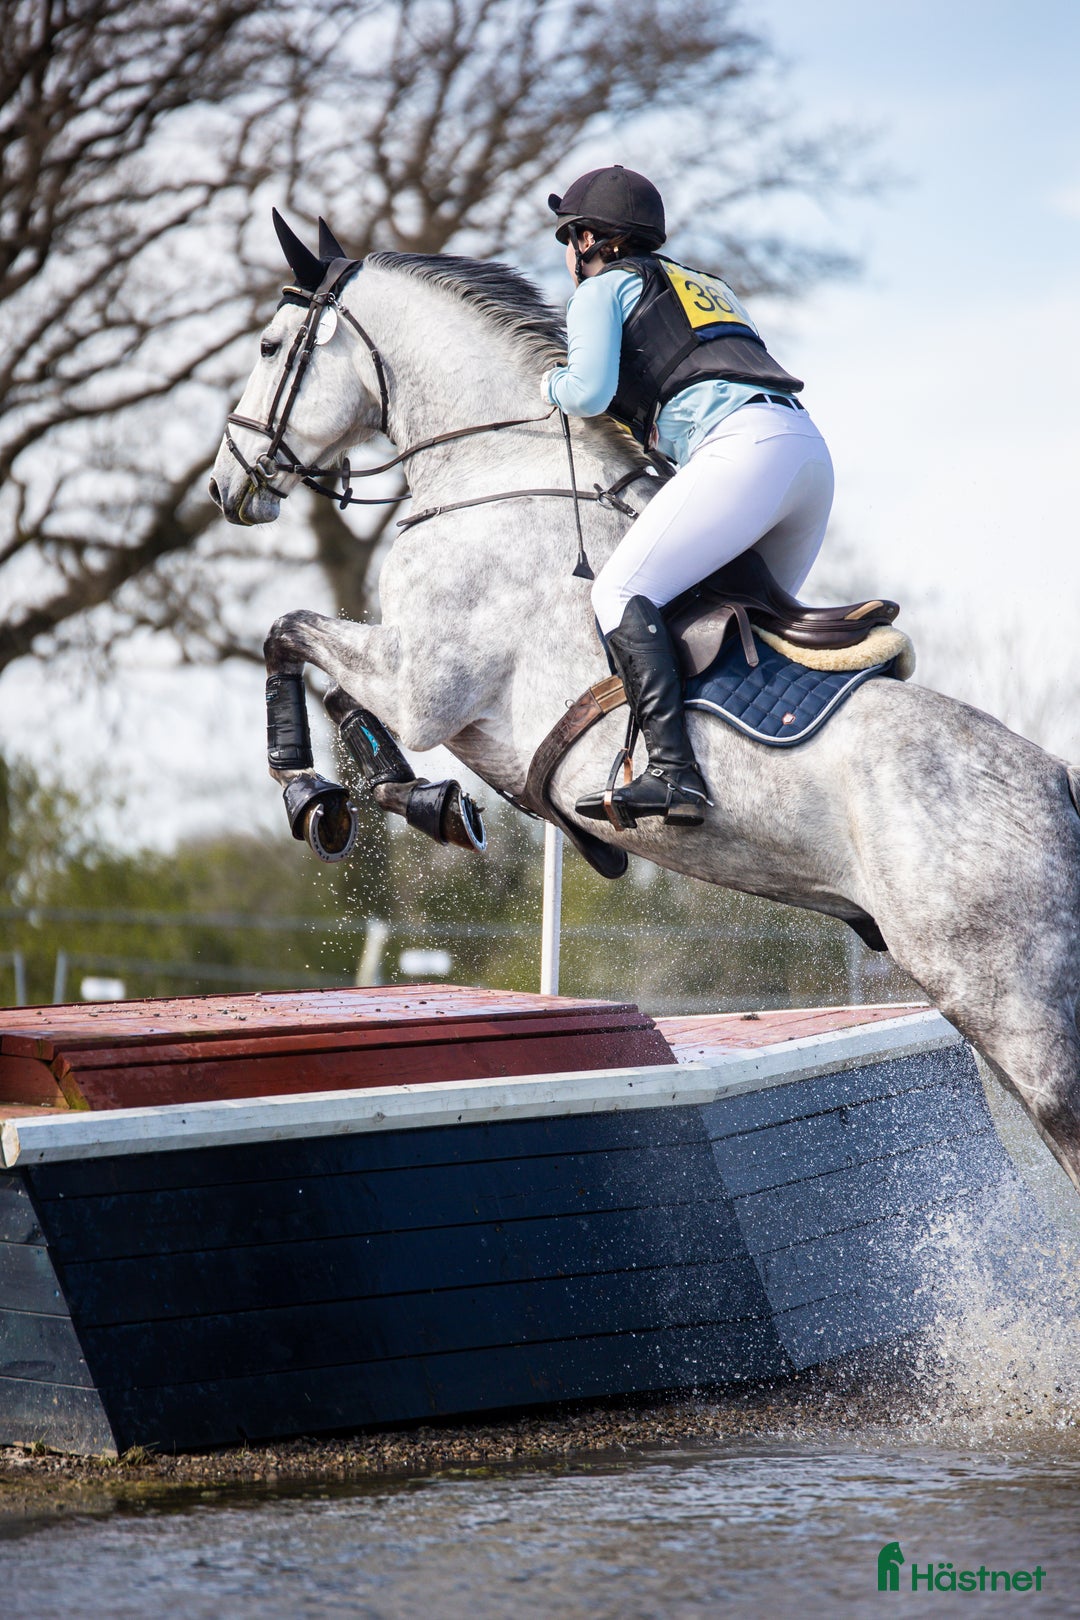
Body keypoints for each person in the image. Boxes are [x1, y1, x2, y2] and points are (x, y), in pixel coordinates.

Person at [543, 165, 834, 829]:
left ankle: (675, 774)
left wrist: (548, 383)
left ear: (588, 239)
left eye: (567, 238)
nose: (566, 254)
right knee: (734, 628)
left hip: (743, 453)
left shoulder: (602, 289)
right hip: (807, 454)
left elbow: (587, 391)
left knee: (619, 593)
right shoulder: (709, 286)